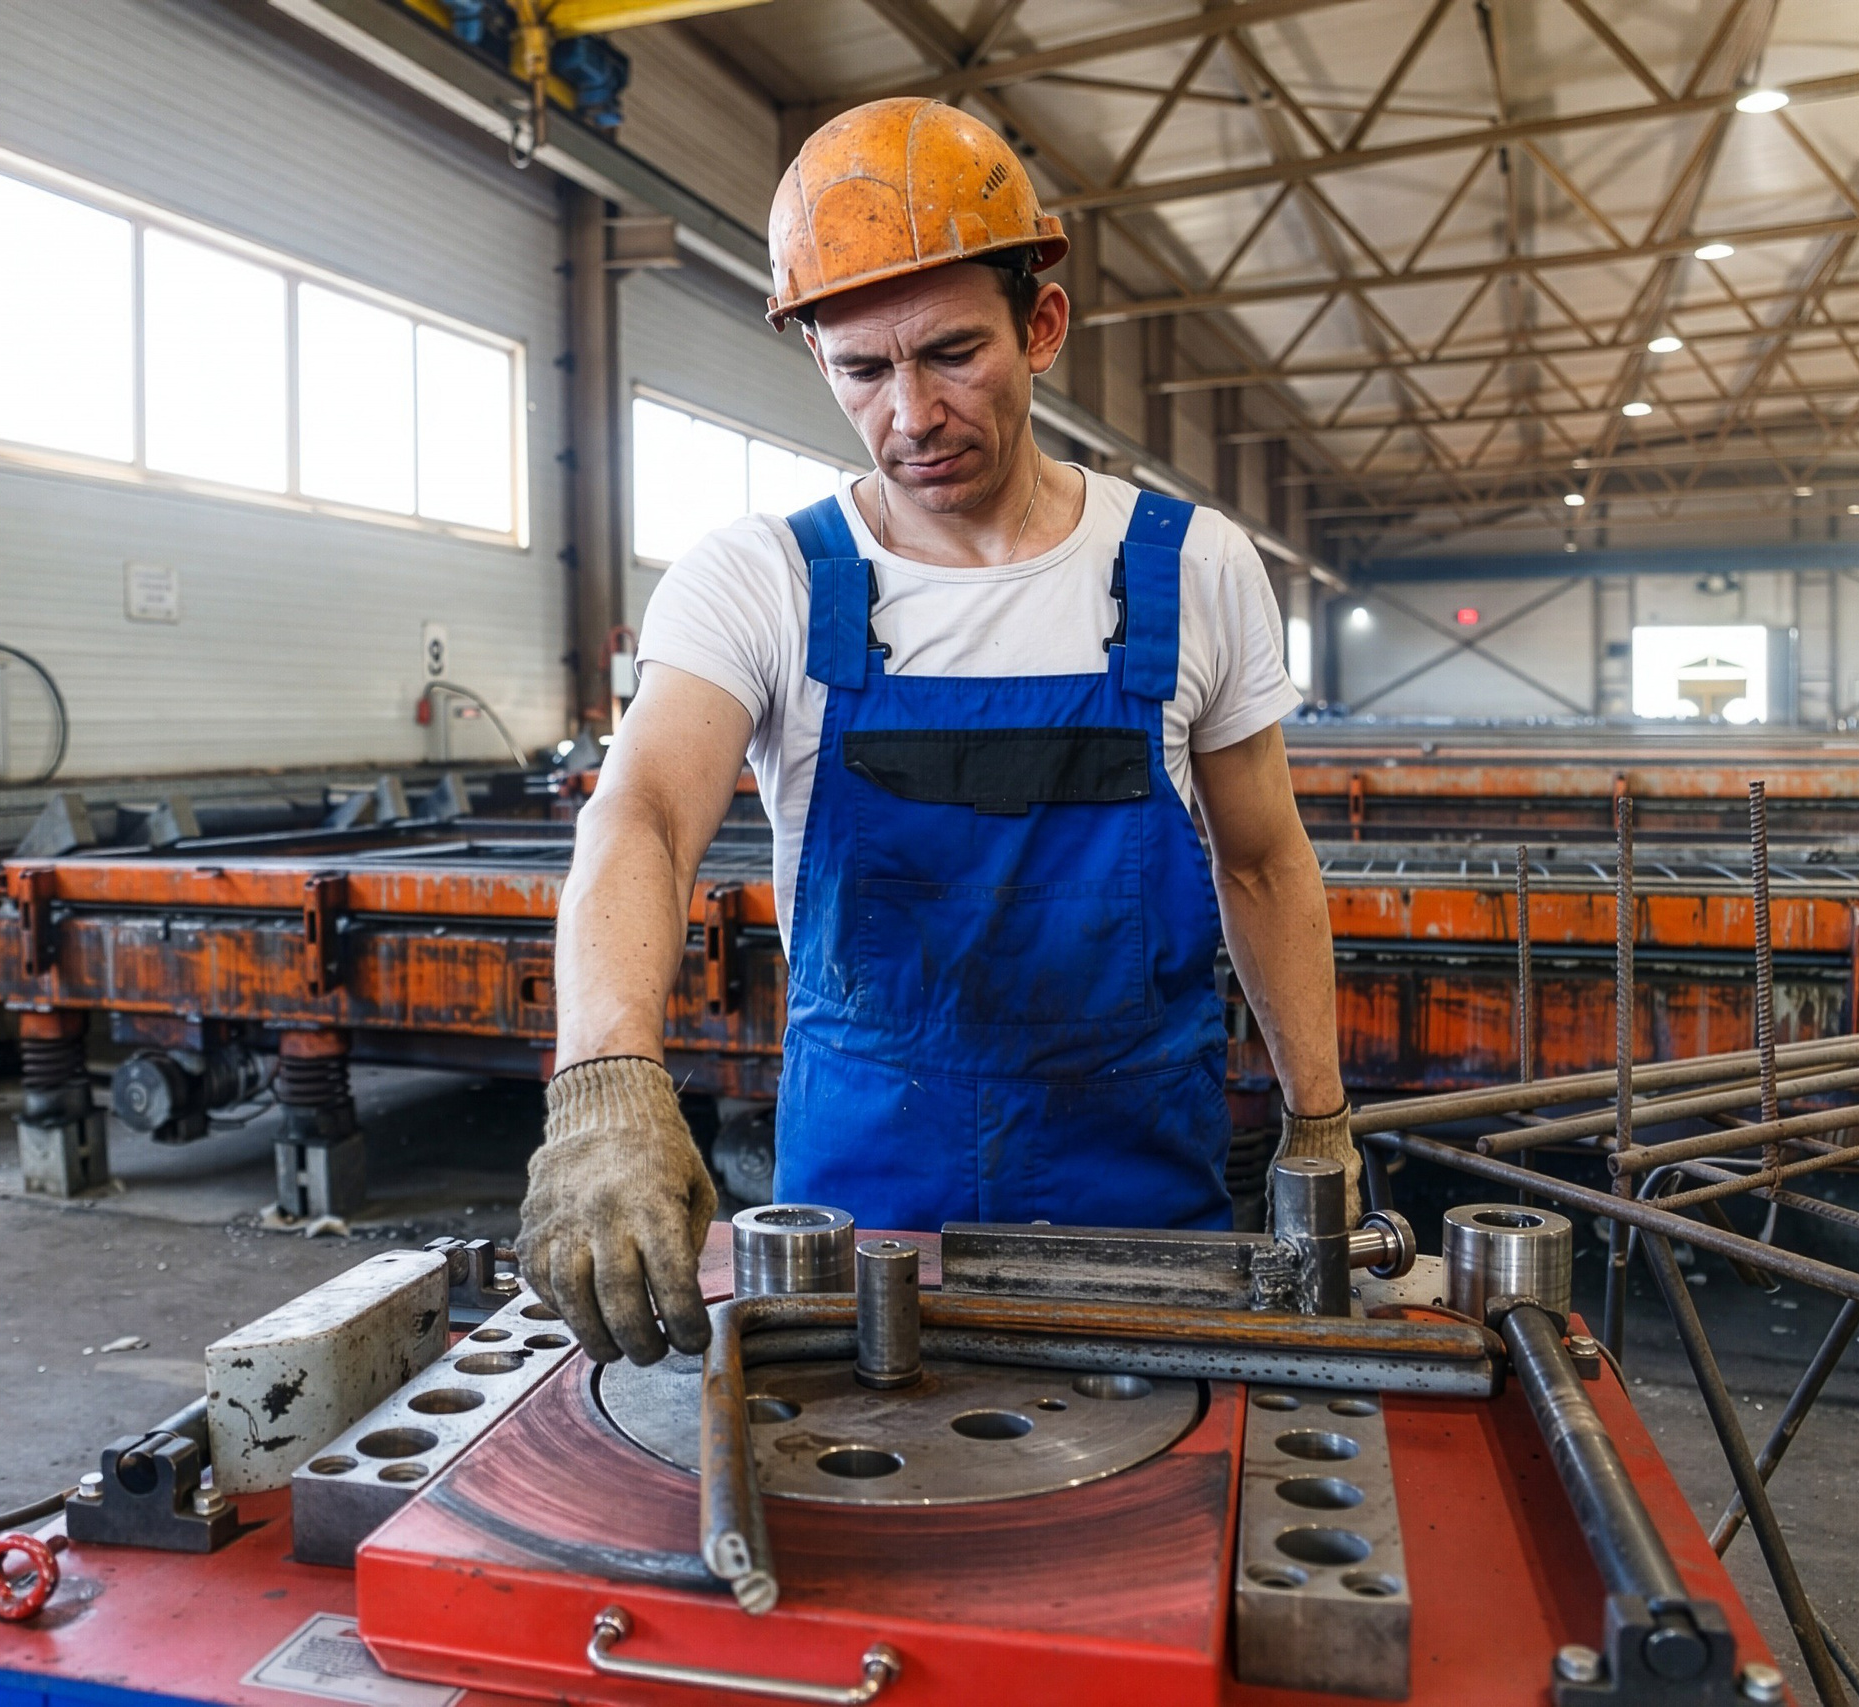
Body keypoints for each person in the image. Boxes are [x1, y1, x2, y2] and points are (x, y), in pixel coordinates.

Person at [520, 97, 1350, 1366]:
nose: (912, 414)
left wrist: (1320, 1123)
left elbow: (1260, 860)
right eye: (862, 369)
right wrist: (604, 1079)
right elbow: (640, 815)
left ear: (1044, 327)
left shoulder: (1191, 568)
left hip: (1137, 1200)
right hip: (859, 1209)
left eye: (953, 353)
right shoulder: (764, 580)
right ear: (820, 362)